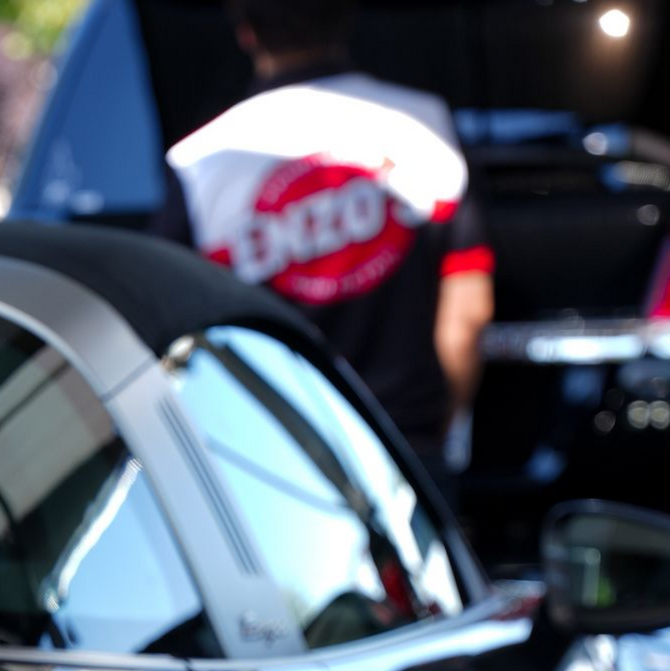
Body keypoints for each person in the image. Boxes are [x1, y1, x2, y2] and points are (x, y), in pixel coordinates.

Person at [152, 0, 494, 481]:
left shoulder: (201, 164)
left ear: (245, 31)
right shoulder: (422, 123)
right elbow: (468, 308)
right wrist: (436, 432)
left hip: (273, 468)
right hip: (407, 449)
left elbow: (175, 341)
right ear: (346, 17)